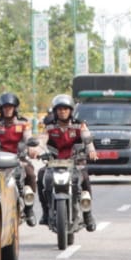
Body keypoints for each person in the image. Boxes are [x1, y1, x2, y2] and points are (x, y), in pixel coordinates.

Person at [39, 94, 97, 232]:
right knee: (41, 176)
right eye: (59, 109)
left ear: (70, 110)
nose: (62, 112)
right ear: (55, 111)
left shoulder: (79, 124)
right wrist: (37, 150)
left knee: (85, 180)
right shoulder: (49, 126)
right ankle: (46, 212)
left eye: (65, 109)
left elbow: (86, 137)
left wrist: (91, 150)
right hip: (54, 163)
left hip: (75, 163)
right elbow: (41, 140)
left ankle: (88, 214)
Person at [0, 92, 36, 224]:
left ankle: (29, 208)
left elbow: (28, 137)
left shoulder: (23, 123)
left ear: (15, 108)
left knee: (31, 175)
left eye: (10, 107)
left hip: (20, 160)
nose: (8, 110)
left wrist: (31, 147)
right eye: (5, 108)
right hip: (0, 162)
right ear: (1, 109)